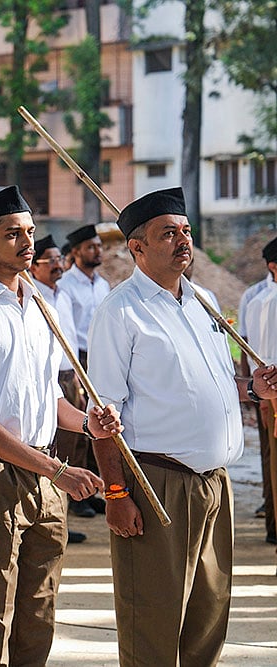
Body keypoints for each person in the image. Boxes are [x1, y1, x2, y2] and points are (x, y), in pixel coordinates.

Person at [86, 187, 277, 667]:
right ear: (137, 247)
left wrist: (253, 387)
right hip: (157, 485)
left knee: (208, 619)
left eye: (185, 231)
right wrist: (115, 493)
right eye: (167, 233)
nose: (182, 241)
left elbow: (210, 382)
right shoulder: (120, 310)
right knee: (151, 622)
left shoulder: (205, 301)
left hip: (216, 484)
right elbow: (101, 414)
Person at [0, 185, 119, 666]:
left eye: (30, 233)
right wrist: (58, 471)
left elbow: (52, 398)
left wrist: (89, 424)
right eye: (12, 234)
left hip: (46, 475)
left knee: (39, 609)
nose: (27, 243)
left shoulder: (43, 308)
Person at [29, 235, 91, 542]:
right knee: (54, 449)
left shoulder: (61, 295)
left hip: (69, 376)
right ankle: (57, 513)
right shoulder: (32, 297)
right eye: (49, 261)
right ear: (33, 266)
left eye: (58, 260)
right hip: (48, 380)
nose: (57, 266)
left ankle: (67, 509)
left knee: (72, 445)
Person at [244, 237, 277, 542]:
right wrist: (266, 402)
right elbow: (262, 357)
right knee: (273, 460)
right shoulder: (265, 302)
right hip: (276, 400)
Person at [59, 224, 110, 366]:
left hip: (103, 355)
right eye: (90, 247)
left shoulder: (103, 284)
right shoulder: (64, 285)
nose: (98, 251)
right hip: (78, 357)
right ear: (76, 252)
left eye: (99, 246)